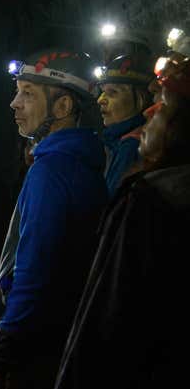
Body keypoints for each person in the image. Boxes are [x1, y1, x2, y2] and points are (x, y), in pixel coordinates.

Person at [54, 55, 190, 389]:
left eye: (162, 105)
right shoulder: (111, 151)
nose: (150, 115)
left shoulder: (149, 198)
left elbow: (109, 314)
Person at [0, 50, 109, 389]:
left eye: (28, 93)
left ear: (63, 108)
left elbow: (34, 265)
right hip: (68, 332)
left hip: (33, 343)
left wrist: (3, 348)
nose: (14, 103)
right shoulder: (87, 164)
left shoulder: (50, 171)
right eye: (17, 91)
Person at [95, 51, 154, 195]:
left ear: (141, 99)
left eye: (112, 92)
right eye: (102, 92)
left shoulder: (132, 146)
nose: (100, 100)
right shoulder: (117, 141)